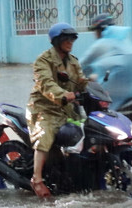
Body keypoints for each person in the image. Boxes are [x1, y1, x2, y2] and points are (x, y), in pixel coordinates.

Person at [27, 23, 88, 198]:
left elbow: (80, 81)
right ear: (57, 41)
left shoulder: (73, 61)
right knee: (45, 135)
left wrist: (95, 86)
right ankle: (36, 179)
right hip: (43, 108)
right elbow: (45, 83)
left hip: (67, 110)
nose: (70, 42)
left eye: (72, 39)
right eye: (66, 39)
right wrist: (62, 94)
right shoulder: (43, 60)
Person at [78, 13, 132, 105]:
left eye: (95, 31)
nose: (95, 35)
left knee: (94, 95)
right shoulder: (123, 40)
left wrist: (72, 71)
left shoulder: (102, 43)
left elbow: (83, 63)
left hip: (117, 86)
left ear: (99, 31)